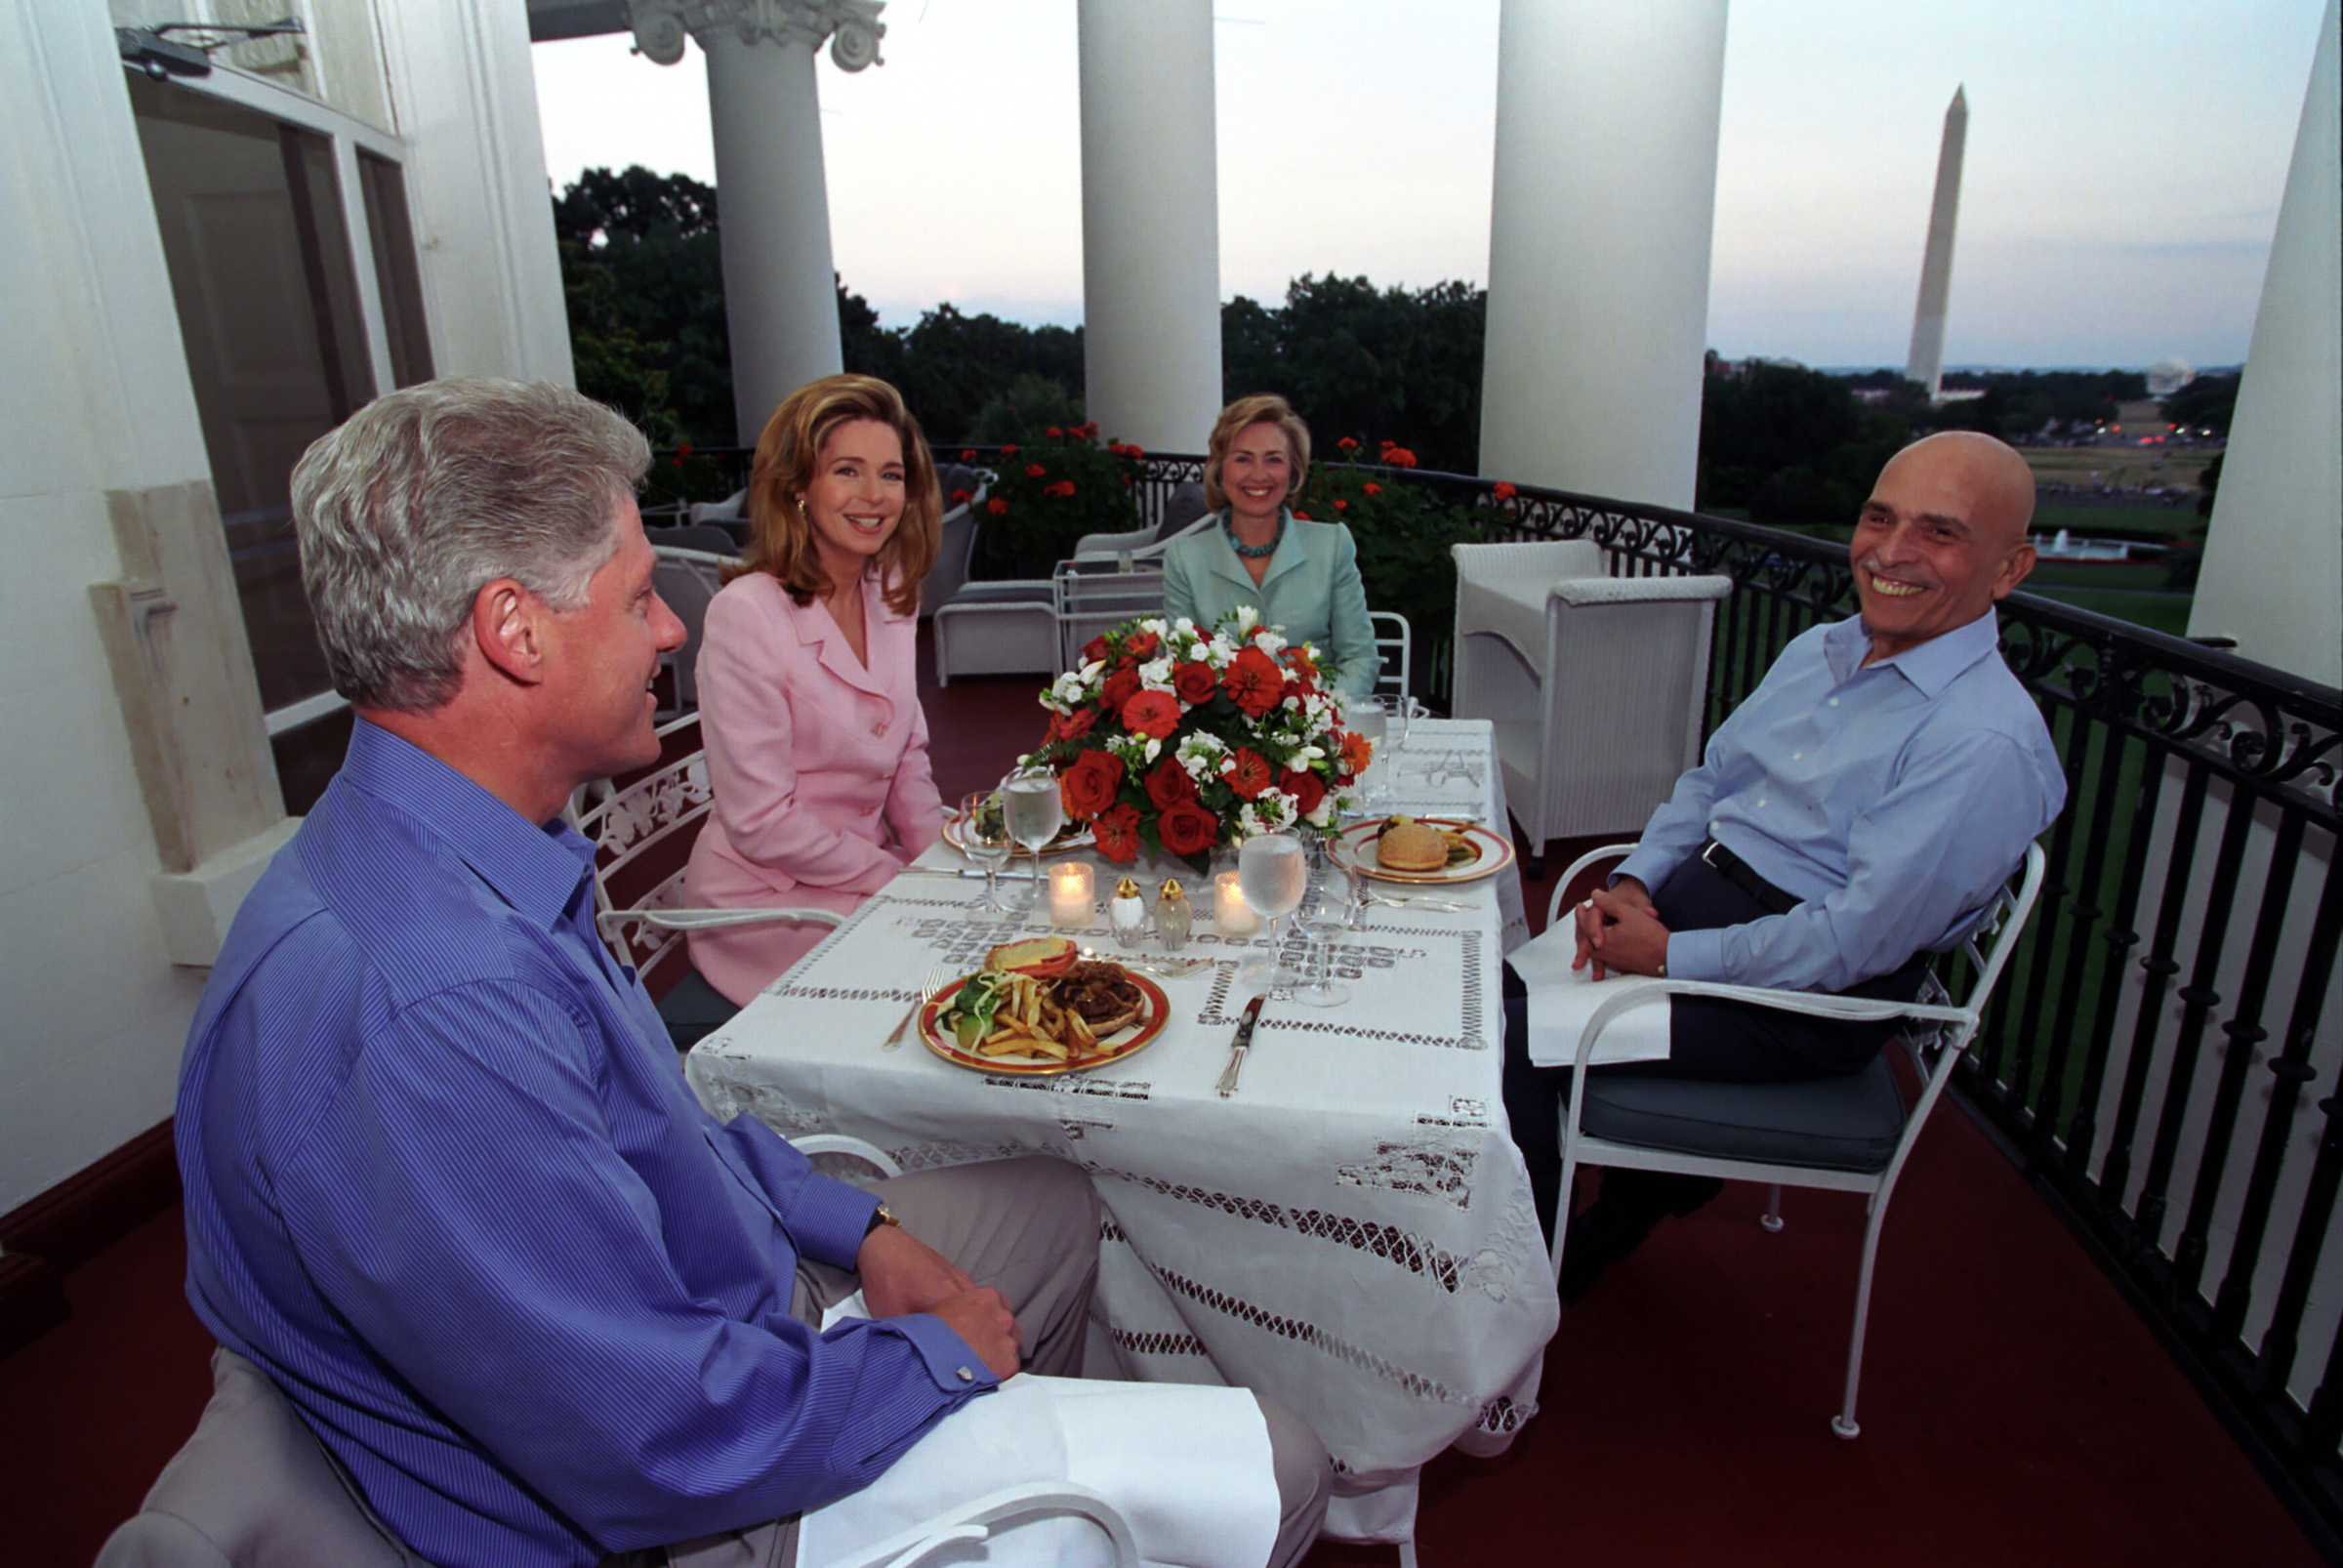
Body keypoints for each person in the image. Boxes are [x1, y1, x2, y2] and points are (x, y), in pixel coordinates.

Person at [174, 378, 1329, 1568]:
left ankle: (1044, 1451)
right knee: (1284, 1464)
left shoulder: (455, 861)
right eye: (634, 600)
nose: (671, 628)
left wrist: (857, 1219)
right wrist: (938, 1357)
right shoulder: (431, 1012)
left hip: (729, 1302)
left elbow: (662, 1126)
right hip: (706, 1494)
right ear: (513, 631)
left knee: (1059, 1196)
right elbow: (661, 1438)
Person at [1501, 431, 2067, 1297]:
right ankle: (1646, 1187)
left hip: (1805, 997)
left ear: (2009, 568)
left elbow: (1853, 941)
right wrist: (1635, 882)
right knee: (1480, 988)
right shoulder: (1822, 652)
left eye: (1939, 533)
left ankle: (1522, 1293)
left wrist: (1665, 958)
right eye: (1880, 517)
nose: (1891, 552)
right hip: (1697, 911)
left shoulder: (1980, 741)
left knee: (1508, 1039)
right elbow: (1711, 783)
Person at [684, 375, 946, 1009]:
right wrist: (900, 880)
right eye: (847, 471)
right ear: (798, 485)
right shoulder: (746, 615)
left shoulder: (888, 589)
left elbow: (906, 755)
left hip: (858, 873)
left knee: (985, 928)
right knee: (941, 978)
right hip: (770, 900)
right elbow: (762, 823)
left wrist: (944, 864)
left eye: (891, 474)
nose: (874, 495)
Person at [1161, 393, 1379, 700]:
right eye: (1243, 458)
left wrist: (1316, 718)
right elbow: (1180, 666)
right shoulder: (1184, 557)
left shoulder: (1332, 546)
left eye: (1274, 459)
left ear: (1292, 472)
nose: (1259, 474)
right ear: (1220, 470)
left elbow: (1359, 658)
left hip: (1317, 734)